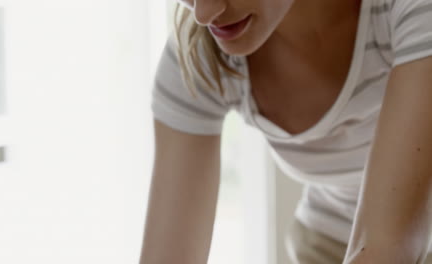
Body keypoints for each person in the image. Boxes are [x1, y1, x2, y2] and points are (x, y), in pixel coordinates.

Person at [140, 0, 432, 263]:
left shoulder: (413, 9)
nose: (203, 13)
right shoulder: (198, 57)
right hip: (329, 241)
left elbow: (390, 245)